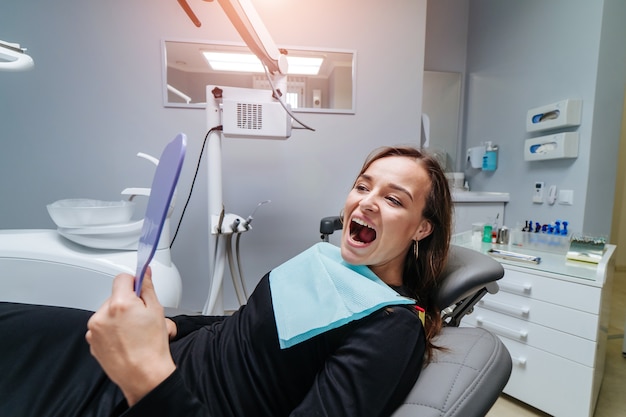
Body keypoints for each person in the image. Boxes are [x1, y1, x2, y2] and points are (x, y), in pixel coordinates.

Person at [0, 145, 452, 417]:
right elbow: (243, 323)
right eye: (362, 186)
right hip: (159, 357)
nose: (366, 203)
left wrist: (147, 378)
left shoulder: (391, 326)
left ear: (421, 228)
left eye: (393, 199)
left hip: (154, 396)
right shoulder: (326, 260)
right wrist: (172, 326)